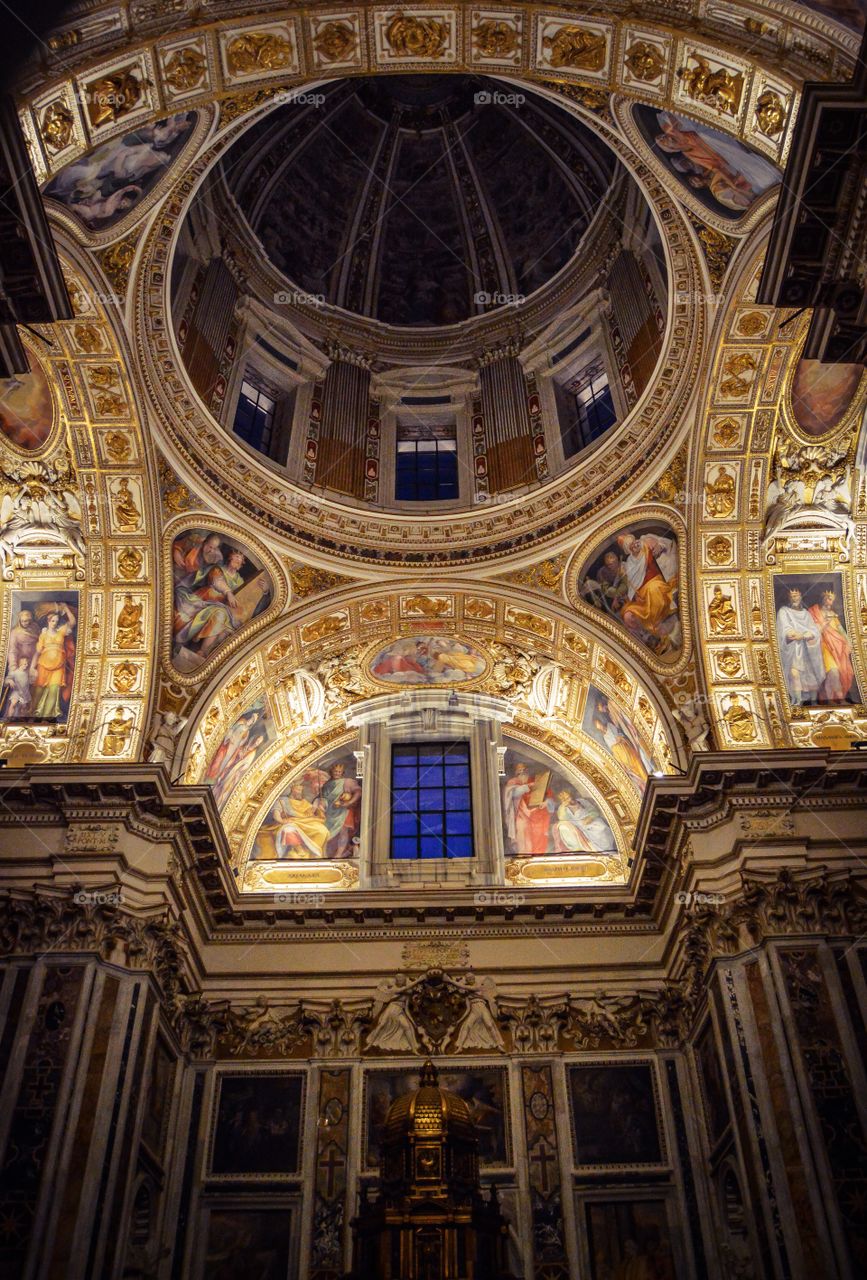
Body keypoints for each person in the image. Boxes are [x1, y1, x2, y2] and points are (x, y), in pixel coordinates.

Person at [617, 531, 679, 652]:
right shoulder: (630, 563)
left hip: (657, 582)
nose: (635, 546)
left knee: (653, 588)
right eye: (631, 546)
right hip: (642, 593)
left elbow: (665, 544)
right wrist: (635, 595)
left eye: (635, 543)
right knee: (627, 613)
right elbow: (632, 584)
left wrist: (659, 546)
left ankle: (658, 627)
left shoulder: (645, 544)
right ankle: (655, 635)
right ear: (629, 550)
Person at [775, 587, 824, 705]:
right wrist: (795, 634)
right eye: (791, 596)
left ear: (800, 596)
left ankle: (813, 703)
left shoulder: (806, 614)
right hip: (793, 651)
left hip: (807, 651)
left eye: (796, 595)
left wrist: (804, 636)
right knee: (794, 674)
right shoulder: (784, 611)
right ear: (788, 597)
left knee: (811, 676)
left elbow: (814, 631)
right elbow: (785, 629)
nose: (794, 598)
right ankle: (797, 703)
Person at [808, 588, 856, 703]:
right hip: (823, 646)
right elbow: (812, 631)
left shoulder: (833, 614)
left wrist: (849, 641)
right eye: (828, 598)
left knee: (835, 674)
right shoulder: (814, 612)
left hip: (838, 646)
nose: (829, 601)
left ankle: (831, 700)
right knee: (833, 671)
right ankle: (840, 699)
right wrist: (824, 624)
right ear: (823, 598)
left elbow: (840, 630)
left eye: (831, 599)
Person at [30, 603, 76, 719]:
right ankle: (33, 714)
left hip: (59, 666)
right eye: (52, 621)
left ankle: (46, 716)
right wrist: (31, 668)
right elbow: (38, 651)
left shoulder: (61, 631)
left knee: (54, 690)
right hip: (43, 665)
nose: (54, 623)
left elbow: (73, 622)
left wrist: (66, 609)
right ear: (48, 621)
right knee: (38, 691)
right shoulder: (43, 635)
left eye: (56, 621)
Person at [503, 761, 553, 855]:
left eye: (524, 769)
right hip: (520, 814)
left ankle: (537, 854)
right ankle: (524, 854)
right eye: (519, 770)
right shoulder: (513, 782)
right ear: (516, 772)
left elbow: (548, 796)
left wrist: (546, 802)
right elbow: (511, 793)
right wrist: (527, 786)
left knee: (538, 832)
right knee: (522, 830)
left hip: (536, 814)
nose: (522, 772)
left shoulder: (533, 781)